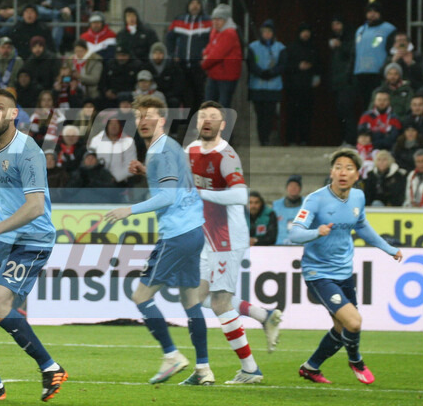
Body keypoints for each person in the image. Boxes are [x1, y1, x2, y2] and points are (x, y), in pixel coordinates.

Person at [0, 88, 68, 402]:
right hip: (3, 237)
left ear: (12, 115)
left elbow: (35, 206)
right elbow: (6, 198)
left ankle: (50, 367)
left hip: (32, 239)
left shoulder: (28, 150)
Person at [101, 96, 206, 383]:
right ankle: (203, 368)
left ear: (162, 119)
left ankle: (171, 355)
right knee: (190, 300)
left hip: (177, 234)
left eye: (148, 116)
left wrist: (128, 210)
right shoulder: (167, 148)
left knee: (141, 296)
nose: (143, 121)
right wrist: (147, 172)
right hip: (193, 230)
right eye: (138, 117)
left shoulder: (161, 150)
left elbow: (168, 196)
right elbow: (178, 184)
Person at [182, 101, 278, 384]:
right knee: (197, 297)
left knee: (221, 302)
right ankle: (263, 315)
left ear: (223, 125)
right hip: (206, 235)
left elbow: (239, 196)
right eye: (203, 117)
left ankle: (250, 369)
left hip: (227, 237)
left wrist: (202, 194)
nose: (207, 121)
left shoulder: (227, 155)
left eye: (214, 117)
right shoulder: (189, 151)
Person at [290, 149, 402, 385]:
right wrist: (315, 232)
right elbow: (295, 234)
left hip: (343, 271)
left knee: (342, 330)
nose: (343, 172)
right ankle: (356, 361)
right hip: (318, 272)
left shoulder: (358, 198)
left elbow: (362, 227)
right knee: (354, 322)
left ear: (357, 174)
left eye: (349, 168)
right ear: (331, 171)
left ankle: (310, 367)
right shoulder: (315, 199)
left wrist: (388, 248)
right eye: (338, 167)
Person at [246, 19, 285, 146]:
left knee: (269, 114)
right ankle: (262, 138)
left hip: (273, 87)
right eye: (264, 31)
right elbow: (251, 64)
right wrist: (261, 73)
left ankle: (266, 138)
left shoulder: (280, 47)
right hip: (257, 86)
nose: (267, 34)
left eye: (269, 32)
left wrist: (271, 72)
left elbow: (283, 65)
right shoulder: (253, 47)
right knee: (260, 114)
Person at [199, 3, 242, 109]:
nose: (215, 22)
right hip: (214, 74)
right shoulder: (215, 31)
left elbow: (217, 54)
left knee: (223, 106)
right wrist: (205, 55)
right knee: (209, 105)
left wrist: (203, 64)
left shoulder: (229, 33)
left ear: (226, 20)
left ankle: (223, 126)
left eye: (219, 19)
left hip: (226, 77)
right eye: (214, 19)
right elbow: (209, 48)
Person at [272, 174, 304, 245]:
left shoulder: (307, 204)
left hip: (301, 245)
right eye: (291, 186)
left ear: (300, 189)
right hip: (280, 245)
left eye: (296, 186)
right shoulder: (276, 205)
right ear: (286, 188)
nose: (293, 188)